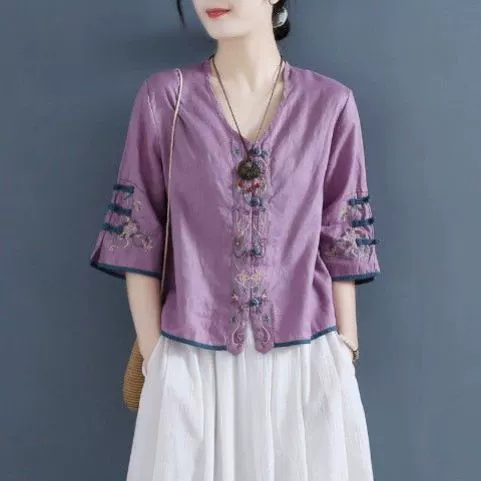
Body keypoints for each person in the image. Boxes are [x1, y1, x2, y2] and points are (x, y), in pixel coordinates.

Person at [89, 0, 382, 479]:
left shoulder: (330, 105)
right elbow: (138, 233)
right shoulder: (166, 99)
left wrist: (346, 347)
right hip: (191, 357)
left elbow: (342, 234)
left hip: (304, 360)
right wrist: (156, 356)